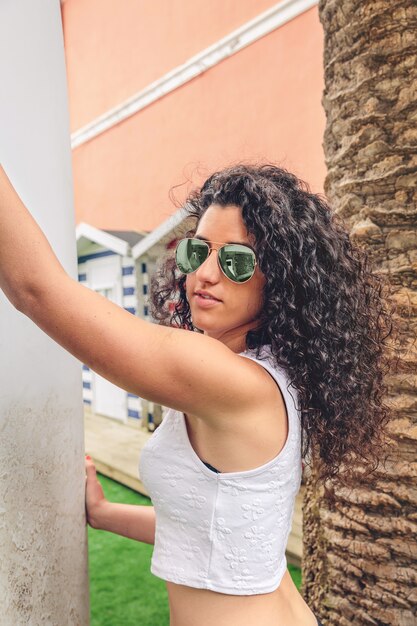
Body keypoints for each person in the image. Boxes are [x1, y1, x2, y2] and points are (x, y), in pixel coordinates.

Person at [0, 163, 396, 626]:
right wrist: (105, 513)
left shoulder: (230, 381)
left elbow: (36, 289)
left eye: (236, 261)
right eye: (196, 252)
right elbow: (212, 533)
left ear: (281, 281)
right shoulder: (270, 375)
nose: (206, 274)